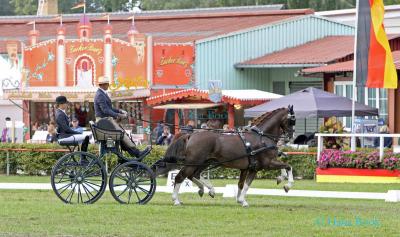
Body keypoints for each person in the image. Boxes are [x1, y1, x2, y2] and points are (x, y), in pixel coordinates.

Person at [94, 76, 150, 158]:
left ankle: (134, 153)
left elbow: (110, 109)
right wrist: (119, 115)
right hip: (104, 121)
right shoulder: (100, 95)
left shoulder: (102, 93)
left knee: (123, 134)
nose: (108, 85)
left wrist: (120, 111)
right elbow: (105, 110)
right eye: (107, 84)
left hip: (105, 121)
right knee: (122, 134)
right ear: (103, 84)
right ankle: (137, 153)